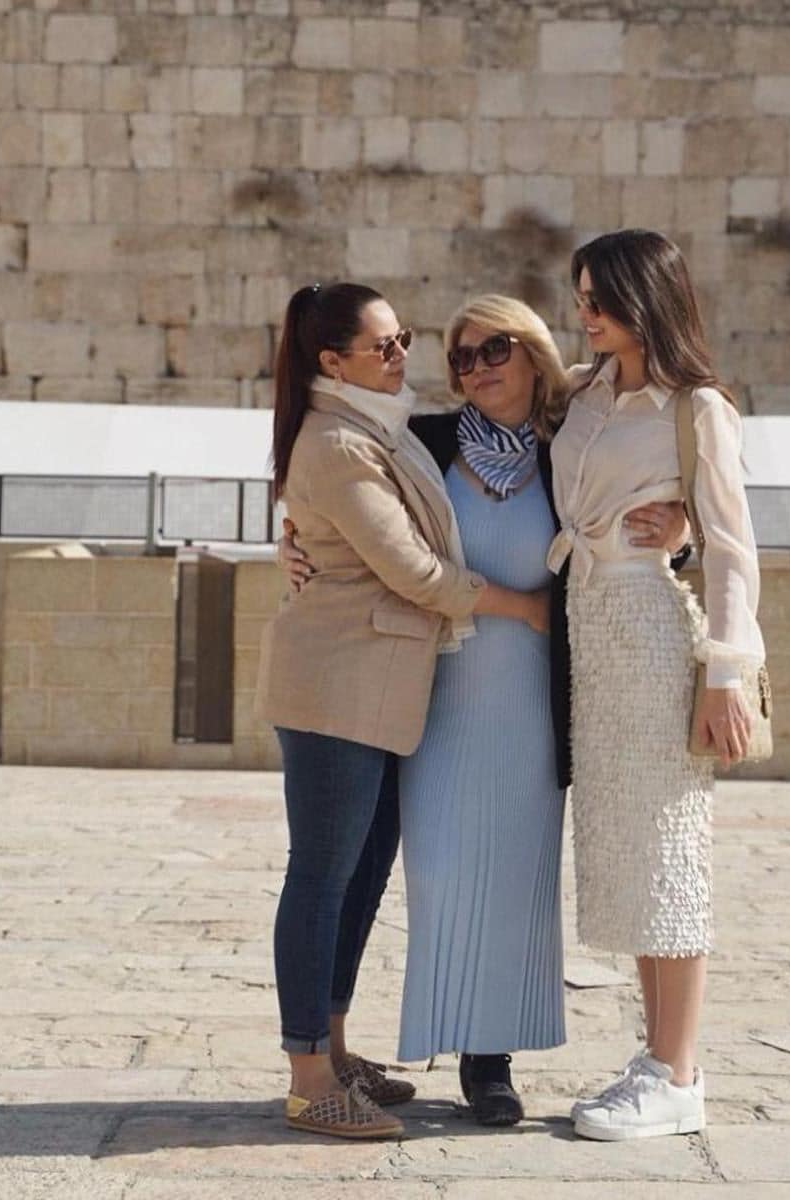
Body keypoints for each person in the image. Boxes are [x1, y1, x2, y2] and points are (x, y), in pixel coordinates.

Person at [279, 294, 689, 1126]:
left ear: (531, 350)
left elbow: (653, 483)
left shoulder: (568, 443)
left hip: (534, 694)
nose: (476, 368)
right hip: (428, 691)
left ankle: (488, 1059)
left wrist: (681, 527)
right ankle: (375, 1046)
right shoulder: (419, 440)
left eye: (494, 349)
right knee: (427, 871)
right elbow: (356, 525)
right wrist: (291, 541)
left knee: (515, 876)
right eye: (461, 357)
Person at [256, 282, 548, 1140]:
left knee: (357, 872)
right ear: (331, 361)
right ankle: (311, 1078)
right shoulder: (341, 442)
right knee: (320, 877)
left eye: (404, 339)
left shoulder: (373, 429)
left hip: (379, 689)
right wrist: (524, 607)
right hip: (338, 682)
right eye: (384, 345)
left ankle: (335, 1048)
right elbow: (414, 571)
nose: (403, 356)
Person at [548, 229, 766, 1142]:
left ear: (648, 298)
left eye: (600, 297)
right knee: (633, 856)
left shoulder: (698, 407)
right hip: (587, 631)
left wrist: (725, 673)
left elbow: (731, 548)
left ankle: (679, 1072)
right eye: (581, 295)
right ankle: (657, 1057)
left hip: (650, 630)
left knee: (671, 850)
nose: (585, 312)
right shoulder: (581, 395)